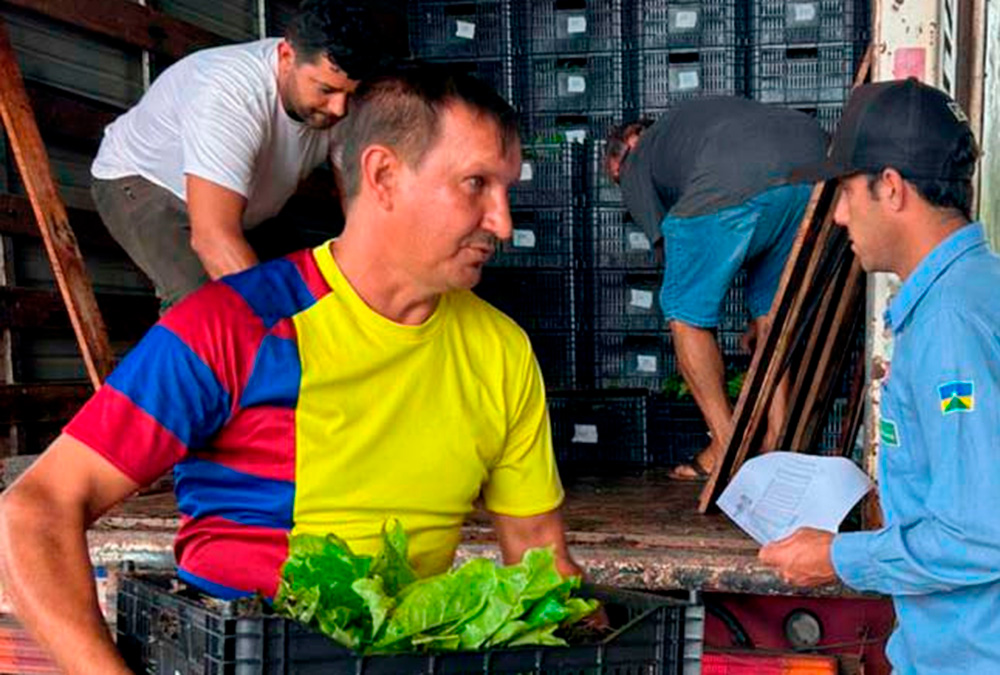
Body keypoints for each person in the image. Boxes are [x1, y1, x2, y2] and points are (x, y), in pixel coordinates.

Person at [0, 65, 585, 675]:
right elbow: (35, 507)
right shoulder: (234, 325)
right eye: (475, 184)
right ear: (383, 175)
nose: (503, 222)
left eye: (505, 190)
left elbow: (539, 552)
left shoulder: (503, 349)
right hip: (237, 654)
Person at [759, 78, 1000, 673]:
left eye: (845, 191)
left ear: (889, 188)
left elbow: (980, 533)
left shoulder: (949, 322)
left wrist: (839, 557)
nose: (838, 215)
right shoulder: (974, 289)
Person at [90, 0, 395, 311]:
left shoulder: (343, 104)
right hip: (146, 185)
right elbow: (213, 238)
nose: (339, 108)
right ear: (287, 56)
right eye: (326, 91)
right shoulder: (230, 94)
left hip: (241, 204)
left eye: (350, 94)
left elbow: (358, 208)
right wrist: (280, 331)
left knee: (309, 292)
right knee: (206, 307)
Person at [604, 97, 827, 480]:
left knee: (683, 311)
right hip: (816, 168)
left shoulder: (636, 163)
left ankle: (727, 447)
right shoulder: (694, 124)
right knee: (772, 313)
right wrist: (755, 313)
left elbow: (670, 252)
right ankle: (776, 441)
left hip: (738, 176)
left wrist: (697, 306)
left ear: (625, 147)